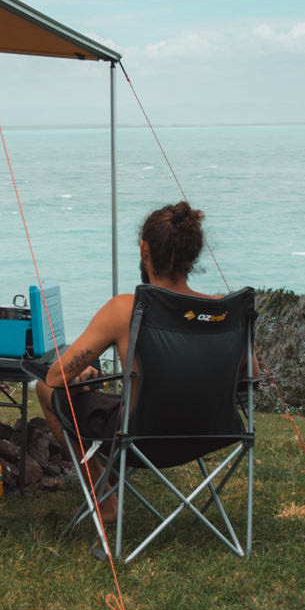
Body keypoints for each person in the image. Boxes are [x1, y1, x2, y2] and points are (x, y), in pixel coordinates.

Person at [35, 200, 218, 525]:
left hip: (142, 437)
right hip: (210, 433)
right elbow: (250, 380)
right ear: (194, 253)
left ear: (144, 250)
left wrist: (83, 372)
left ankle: (102, 494)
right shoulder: (223, 311)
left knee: (44, 390)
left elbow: (54, 376)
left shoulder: (126, 309)